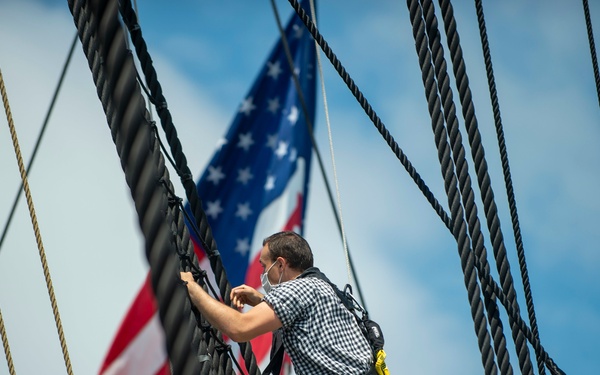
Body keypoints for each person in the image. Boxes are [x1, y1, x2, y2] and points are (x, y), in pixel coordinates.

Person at [180, 231, 373, 375]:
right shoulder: (325, 290)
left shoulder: (295, 289)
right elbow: (309, 325)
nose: (263, 275)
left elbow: (239, 328)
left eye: (265, 266)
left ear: (280, 264)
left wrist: (192, 287)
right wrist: (263, 301)